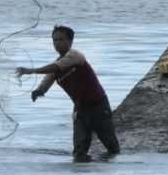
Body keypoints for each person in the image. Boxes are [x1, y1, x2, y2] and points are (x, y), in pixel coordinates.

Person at [15, 25, 120, 161]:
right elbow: (47, 81)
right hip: (80, 110)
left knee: (112, 148)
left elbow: (55, 67)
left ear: (70, 41)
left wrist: (31, 70)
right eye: (55, 40)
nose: (57, 43)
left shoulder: (75, 56)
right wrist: (38, 91)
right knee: (79, 152)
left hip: (98, 106)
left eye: (61, 39)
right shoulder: (56, 65)